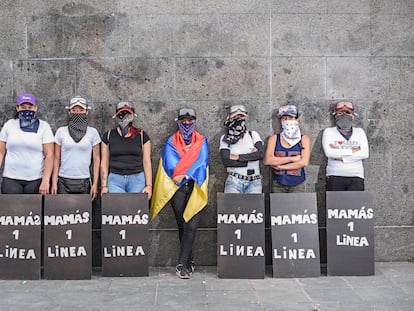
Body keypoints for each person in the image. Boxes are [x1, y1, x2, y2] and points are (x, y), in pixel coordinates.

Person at [150, 108, 209, 279]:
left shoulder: (201, 141)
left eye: (190, 121)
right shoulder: (171, 142)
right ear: (178, 121)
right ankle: (190, 261)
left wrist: (186, 174)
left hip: (195, 187)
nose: (186, 124)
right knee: (182, 225)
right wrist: (179, 174)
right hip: (177, 189)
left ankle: (181, 264)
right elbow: (169, 163)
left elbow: (202, 162)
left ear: (195, 121)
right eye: (183, 120)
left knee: (191, 225)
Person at [0, 93, 54, 194]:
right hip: (11, 179)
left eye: (30, 107)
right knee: (10, 210)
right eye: (23, 107)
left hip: (36, 180)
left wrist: (46, 180)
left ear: (35, 108)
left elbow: (49, 155)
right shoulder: (9, 125)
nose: (27, 109)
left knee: (34, 210)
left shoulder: (44, 127)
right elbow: (1, 152)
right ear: (17, 108)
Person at [51, 96, 101, 200]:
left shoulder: (93, 132)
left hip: (84, 180)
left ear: (86, 112)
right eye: (74, 110)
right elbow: (56, 158)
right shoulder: (61, 131)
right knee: (63, 214)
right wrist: (54, 182)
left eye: (81, 110)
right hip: (63, 179)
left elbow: (97, 159)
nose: (77, 112)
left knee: (83, 215)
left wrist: (95, 184)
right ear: (69, 111)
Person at [100, 102, 152, 198]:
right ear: (116, 116)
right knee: (117, 211)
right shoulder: (108, 136)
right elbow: (104, 161)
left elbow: (147, 161)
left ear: (132, 115)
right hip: (115, 179)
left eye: (127, 114)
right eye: (121, 114)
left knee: (135, 210)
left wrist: (149, 186)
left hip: (137, 178)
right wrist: (104, 185)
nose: (124, 117)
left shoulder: (142, 135)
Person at [322, 101, 369, 191]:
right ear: (335, 115)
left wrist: (341, 157)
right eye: (340, 113)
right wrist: (353, 150)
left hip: (356, 176)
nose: (344, 115)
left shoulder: (359, 132)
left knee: (355, 205)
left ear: (353, 116)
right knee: (335, 205)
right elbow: (329, 153)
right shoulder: (329, 132)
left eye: (347, 112)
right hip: (334, 175)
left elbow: (364, 154)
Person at [264, 104, 310, 193]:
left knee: (298, 207)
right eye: (284, 118)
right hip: (278, 183)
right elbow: (268, 160)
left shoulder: (304, 139)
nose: (287, 121)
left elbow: (304, 162)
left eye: (291, 117)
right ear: (280, 120)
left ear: (297, 119)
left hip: (298, 184)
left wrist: (281, 166)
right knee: (277, 207)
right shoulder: (274, 138)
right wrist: (292, 159)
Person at [219, 104, 263, 193]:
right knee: (231, 207)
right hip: (234, 181)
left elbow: (260, 154)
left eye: (241, 116)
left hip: (254, 182)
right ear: (230, 118)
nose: (239, 119)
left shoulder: (253, 135)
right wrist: (251, 158)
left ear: (246, 117)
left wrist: (238, 157)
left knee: (254, 207)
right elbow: (226, 161)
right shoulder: (225, 138)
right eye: (235, 117)